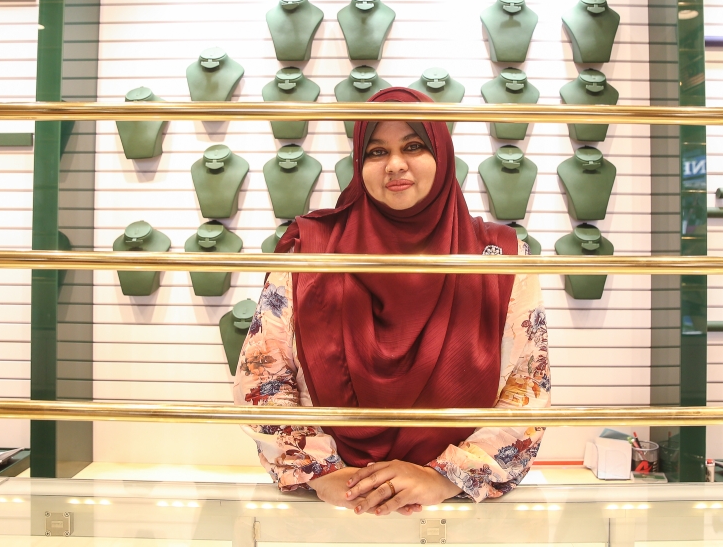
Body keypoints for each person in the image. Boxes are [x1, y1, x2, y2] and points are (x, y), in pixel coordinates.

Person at [233, 87, 549, 516]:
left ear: (442, 152)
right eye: (377, 151)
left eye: (414, 146)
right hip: (335, 507)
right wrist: (322, 472)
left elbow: (526, 391)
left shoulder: (500, 259)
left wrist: (444, 476)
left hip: (454, 513)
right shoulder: (311, 253)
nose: (395, 164)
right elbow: (263, 379)